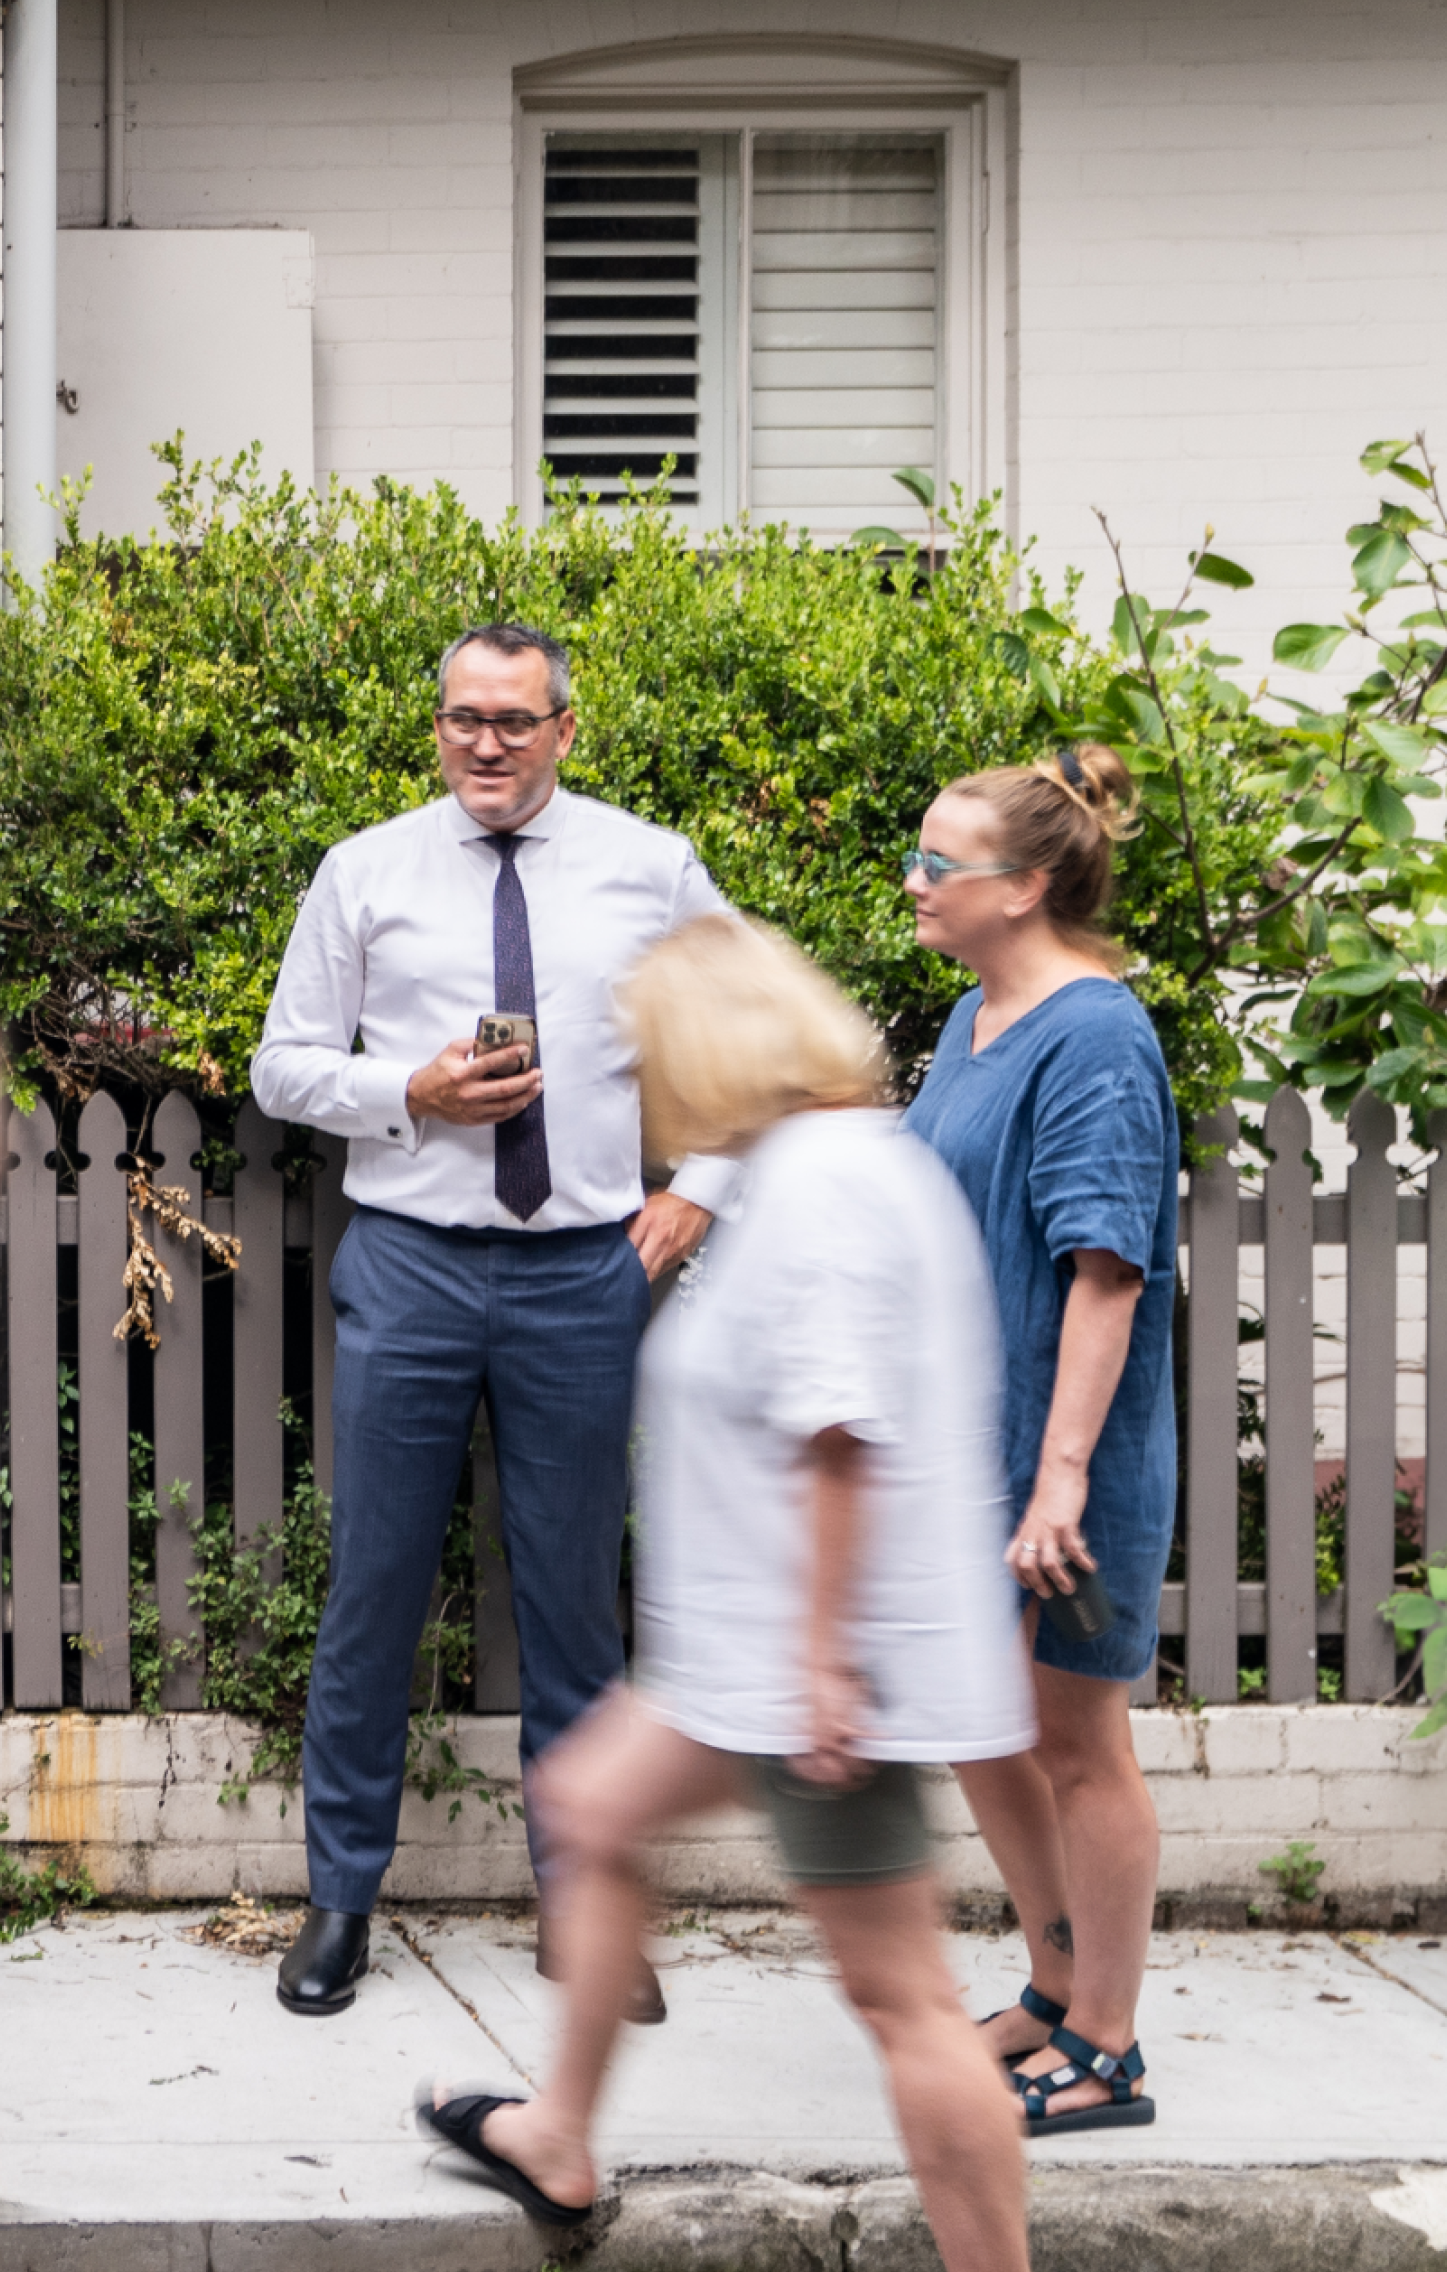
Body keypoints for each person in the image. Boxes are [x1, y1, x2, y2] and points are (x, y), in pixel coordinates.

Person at [414, 913, 1035, 2272]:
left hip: (816, 1670)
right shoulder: (824, 1164)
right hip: (751, 1663)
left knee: (906, 2000)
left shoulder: (819, 1185)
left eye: (649, 1054)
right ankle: (558, 2129)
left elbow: (839, 1428)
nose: (642, 1083)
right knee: (587, 1805)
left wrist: (821, 1664)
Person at [251, 622, 740, 2019]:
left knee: (576, 1604)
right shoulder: (366, 869)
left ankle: (582, 1909)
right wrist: (405, 1091)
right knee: (373, 1591)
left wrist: (697, 1190)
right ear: (437, 725)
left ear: (563, 730)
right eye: (464, 715)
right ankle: (339, 1900)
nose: (485, 741)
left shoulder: (649, 867)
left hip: (582, 1271)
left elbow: (749, 1032)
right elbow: (283, 1066)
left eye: (515, 720)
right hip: (409, 1262)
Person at [900, 743, 1174, 2136]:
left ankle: (1107, 2046)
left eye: (936, 864)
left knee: (1077, 1742)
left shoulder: (1097, 1040)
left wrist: (1058, 1478)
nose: (912, 881)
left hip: (1062, 1463)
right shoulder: (973, 1016)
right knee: (975, 1721)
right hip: (966, 1450)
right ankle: (1056, 1984)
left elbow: (1104, 1273)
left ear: (1022, 887)